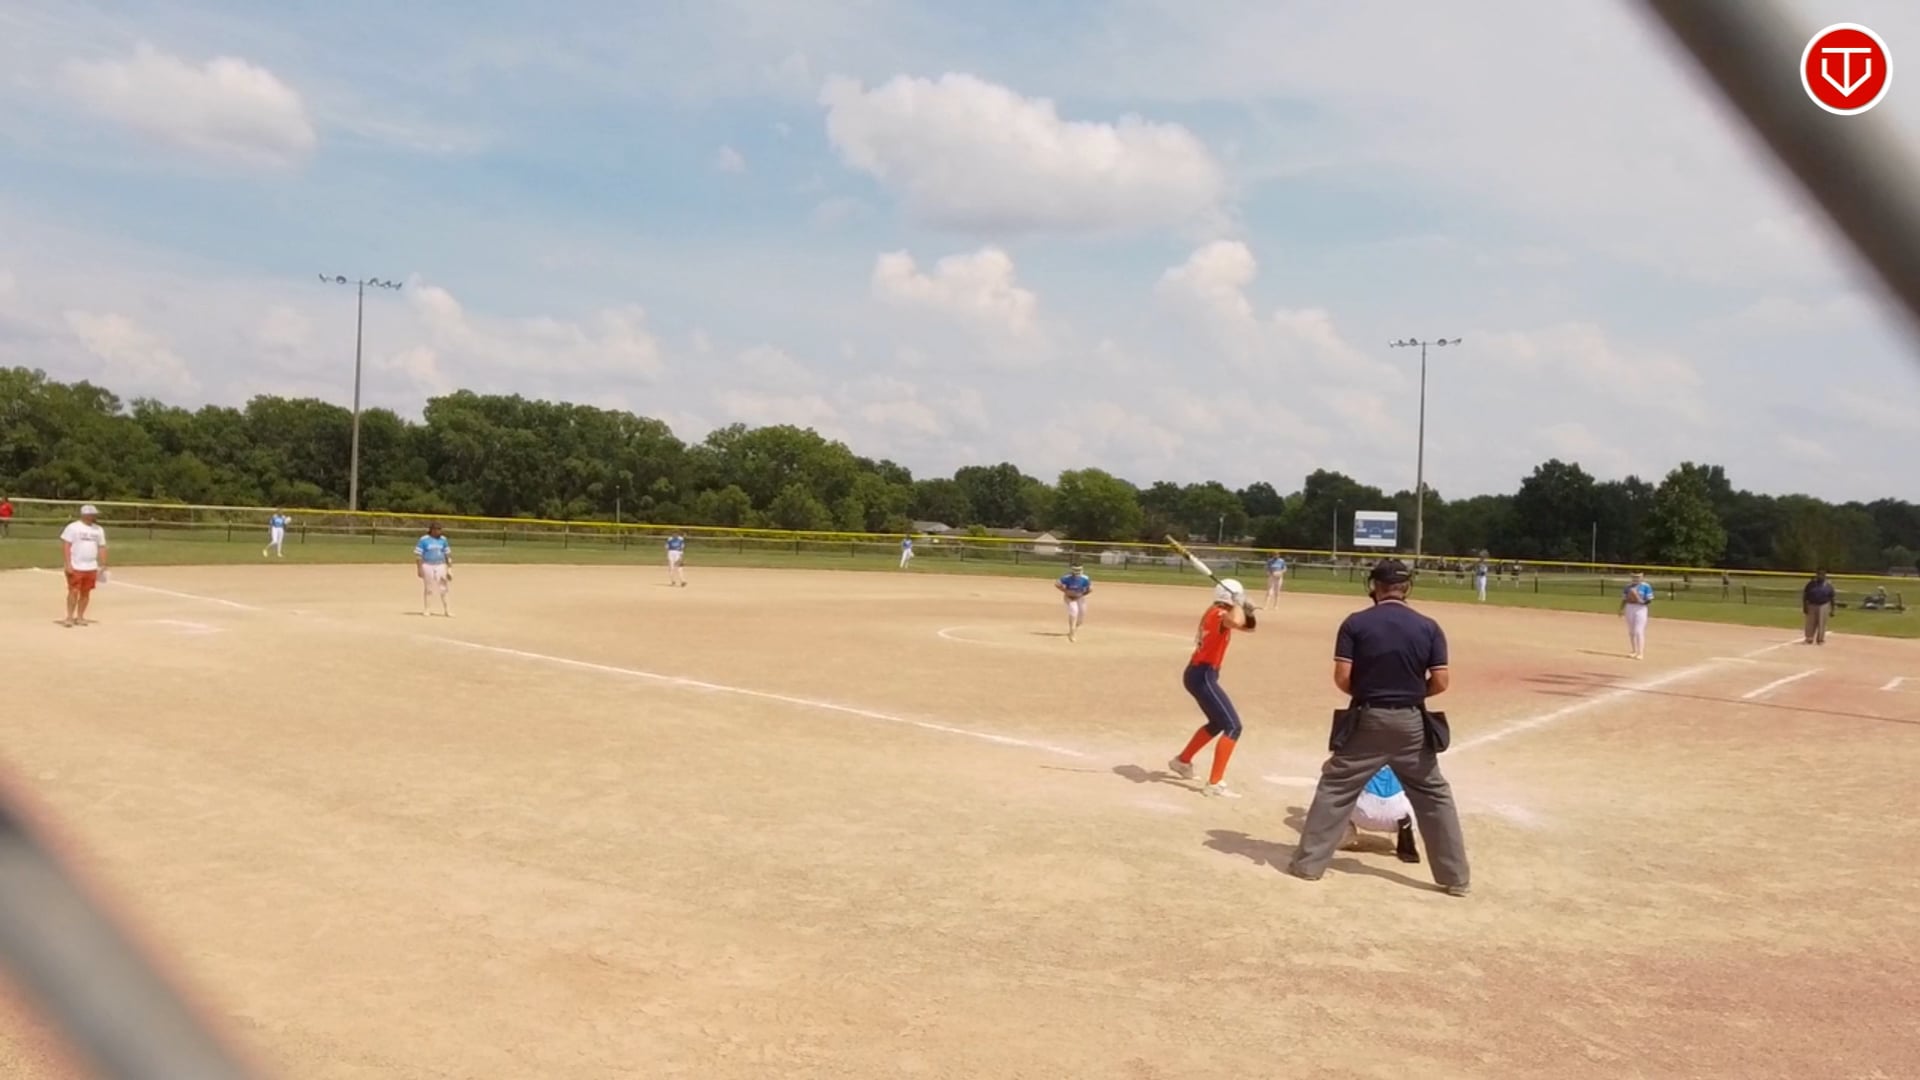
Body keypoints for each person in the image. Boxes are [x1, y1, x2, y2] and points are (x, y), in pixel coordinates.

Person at [1287, 558, 1469, 895]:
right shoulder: (1428, 626)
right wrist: (1412, 694)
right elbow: (1441, 681)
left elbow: (1342, 677)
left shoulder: (1356, 623)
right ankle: (1456, 879)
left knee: (1336, 787)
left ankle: (1308, 865)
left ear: (1374, 586)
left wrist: (1369, 693)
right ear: (1407, 587)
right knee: (1434, 796)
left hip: (1368, 718)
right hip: (1412, 722)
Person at [1167, 578, 1257, 798]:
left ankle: (1182, 761)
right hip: (1203, 675)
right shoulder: (1218, 613)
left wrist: (1248, 609)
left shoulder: (1218, 611)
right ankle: (1215, 783)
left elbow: (1249, 627)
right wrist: (1238, 604)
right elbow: (1235, 621)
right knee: (1233, 726)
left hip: (1201, 674)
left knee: (1217, 723)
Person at [1344, 766, 1422, 864]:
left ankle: (1344, 837)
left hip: (1362, 816)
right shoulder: (1404, 762)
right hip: (1399, 820)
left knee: (1340, 797)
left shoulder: (1360, 760)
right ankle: (1410, 844)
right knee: (1416, 797)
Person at [60, 504, 108, 628]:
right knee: (73, 591)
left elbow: (102, 547)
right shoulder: (73, 527)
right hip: (76, 565)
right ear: (85, 515)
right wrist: (68, 563)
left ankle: (80, 616)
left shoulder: (98, 529)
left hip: (91, 566)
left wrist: (103, 563)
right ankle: (69, 617)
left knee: (86, 592)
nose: (94, 517)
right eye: (92, 514)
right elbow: (66, 545)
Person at [414, 522, 453, 617]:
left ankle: (447, 610)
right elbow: (418, 555)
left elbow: (447, 554)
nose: (439, 531)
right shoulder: (424, 540)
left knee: (443, 587)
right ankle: (427, 609)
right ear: (432, 530)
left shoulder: (443, 539)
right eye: (437, 529)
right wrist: (419, 568)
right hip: (427, 565)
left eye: (440, 529)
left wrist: (449, 568)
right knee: (429, 588)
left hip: (440, 565)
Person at [1620, 571, 1654, 659]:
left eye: (1638, 577)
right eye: (1634, 577)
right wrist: (1621, 609)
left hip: (1640, 609)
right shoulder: (1628, 587)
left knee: (1638, 631)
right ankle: (1633, 651)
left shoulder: (1646, 586)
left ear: (1642, 577)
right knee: (1631, 631)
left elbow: (1649, 599)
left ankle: (1640, 653)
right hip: (1629, 608)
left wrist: (1640, 600)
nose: (1636, 578)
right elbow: (1624, 599)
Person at [1056, 562, 1092, 641]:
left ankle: (1073, 630)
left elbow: (1090, 589)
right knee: (1074, 612)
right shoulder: (1067, 577)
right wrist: (1065, 591)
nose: (1077, 572)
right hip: (1069, 598)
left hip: (1080, 598)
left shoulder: (1085, 578)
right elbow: (1057, 584)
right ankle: (1072, 634)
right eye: (1076, 570)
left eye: (1079, 570)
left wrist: (1081, 594)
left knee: (1081, 618)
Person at [1801, 570, 1836, 643]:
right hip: (1812, 605)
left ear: (1825, 576)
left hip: (1823, 605)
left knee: (1822, 623)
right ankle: (1809, 638)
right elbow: (1805, 596)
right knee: (1810, 622)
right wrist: (1805, 606)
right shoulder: (1811, 584)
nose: (1820, 576)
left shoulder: (1828, 585)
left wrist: (1833, 609)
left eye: (1822, 575)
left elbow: (1832, 598)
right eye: (1818, 574)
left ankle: (1820, 639)